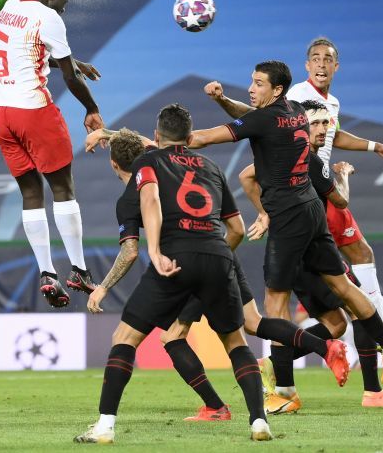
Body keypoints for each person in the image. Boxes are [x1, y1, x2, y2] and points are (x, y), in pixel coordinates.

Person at [83, 127, 348, 423]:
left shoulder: (134, 192)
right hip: (221, 256)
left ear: (114, 164)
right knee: (252, 324)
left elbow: (130, 251)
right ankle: (324, 346)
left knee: (172, 337)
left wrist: (103, 288)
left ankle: (214, 407)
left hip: (185, 265)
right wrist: (106, 131)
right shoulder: (161, 159)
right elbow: (149, 140)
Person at [188, 61, 383, 389]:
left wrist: (168, 142)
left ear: (276, 89)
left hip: (289, 218)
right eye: (252, 82)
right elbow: (250, 113)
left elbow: (206, 138)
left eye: (258, 83)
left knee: (275, 301)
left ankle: (284, 391)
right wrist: (224, 100)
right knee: (344, 286)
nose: (251, 88)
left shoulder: (266, 119)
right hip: (311, 210)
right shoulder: (293, 109)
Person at [74, 105, 271, 444]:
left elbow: (150, 199)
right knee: (236, 342)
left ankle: (104, 427)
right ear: (189, 135)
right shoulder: (211, 166)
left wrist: (156, 251)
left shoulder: (148, 162)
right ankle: (258, 423)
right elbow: (236, 228)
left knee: (125, 338)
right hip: (218, 254)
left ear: (156, 135)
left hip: (174, 258)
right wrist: (215, 254)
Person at [243, 101, 383, 410]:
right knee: (344, 303)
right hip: (301, 253)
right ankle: (372, 384)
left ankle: (278, 374)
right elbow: (248, 175)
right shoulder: (296, 158)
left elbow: (249, 176)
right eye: (316, 123)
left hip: (311, 247)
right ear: (298, 126)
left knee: (337, 322)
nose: (324, 129)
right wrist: (265, 213)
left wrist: (267, 212)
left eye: (326, 123)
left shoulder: (307, 159)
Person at [0, 0, 104, 308]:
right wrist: (91, 108)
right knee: (63, 189)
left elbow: (26, 52)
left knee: (30, 192)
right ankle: (80, 269)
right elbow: (69, 76)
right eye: (63, 6)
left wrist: (74, 61)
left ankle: (46, 273)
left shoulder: (10, 7)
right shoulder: (49, 17)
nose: (62, 12)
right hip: (31, 110)